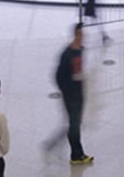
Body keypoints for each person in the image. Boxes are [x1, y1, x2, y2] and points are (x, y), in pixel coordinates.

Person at [49, 23, 92, 165]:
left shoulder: (80, 50)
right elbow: (57, 76)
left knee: (75, 124)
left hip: (79, 93)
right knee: (74, 125)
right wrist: (66, 90)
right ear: (76, 35)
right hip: (71, 95)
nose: (82, 37)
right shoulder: (67, 54)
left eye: (83, 35)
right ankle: (76, 155)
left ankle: (75, 153)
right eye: (80, 35)